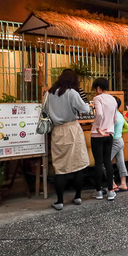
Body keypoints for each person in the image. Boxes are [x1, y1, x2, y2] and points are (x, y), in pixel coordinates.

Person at [43, 69, 90, 210]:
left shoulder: (49, 94)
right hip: (73, 130)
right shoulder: (72, 93)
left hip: (57, 131)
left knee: (60, 166)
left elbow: (44, 110)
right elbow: (85, 109)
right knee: (78, 164)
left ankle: (59, 201)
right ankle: (77, 197)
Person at [90, 78, 117, 200]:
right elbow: (115, 118)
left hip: (97, 135)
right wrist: (109, 127)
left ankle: (98, 191)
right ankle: (111, 190)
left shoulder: (98, 98)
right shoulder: (113, 99)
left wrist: (99, 127)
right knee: (108, 162)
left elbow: (99, 114)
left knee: (98, 163)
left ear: (98, 88)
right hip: (110, 134)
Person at [110, 96, 128, 193]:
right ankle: (123, 183)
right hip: (120, 140)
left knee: (105, 163)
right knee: (121, 162)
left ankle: (112, 184)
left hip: (114, 141)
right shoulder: (120, 114)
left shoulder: (112, 116)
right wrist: (120, 131)